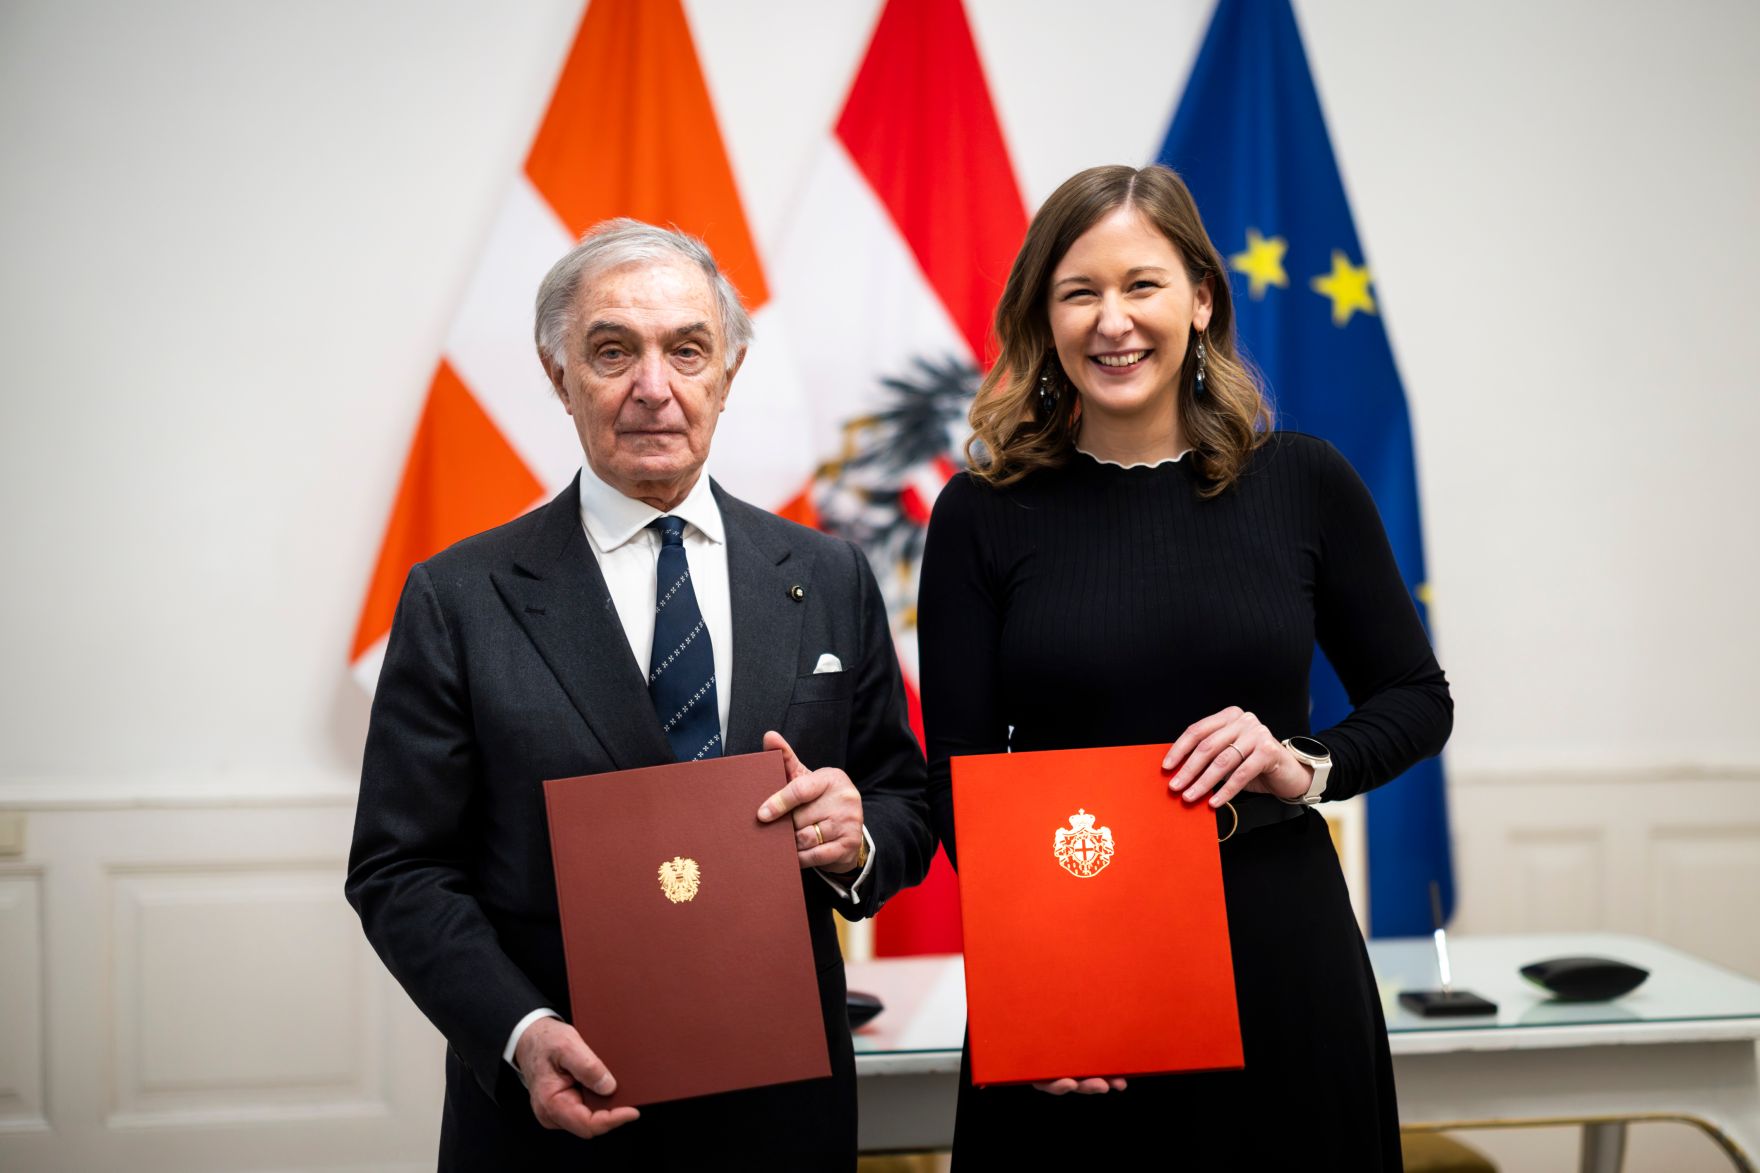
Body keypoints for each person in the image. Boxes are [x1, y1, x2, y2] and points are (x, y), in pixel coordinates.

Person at [346, 218, 934, 1171]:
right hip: (557, 1118)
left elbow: (904, 799)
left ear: (728, 373)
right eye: (613, 351)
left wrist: (856, 835)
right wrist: (522, 1031)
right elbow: (399, 868)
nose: (653, 387)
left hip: (781, 1120)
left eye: (687, 350)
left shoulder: (828, 574)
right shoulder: (458, 598)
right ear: (559, 375)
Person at [917, 164, 1452, 1169]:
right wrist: (1037, 983)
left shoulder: (1304, 481)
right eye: (1078, 292)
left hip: (1278, 955)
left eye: (1142, 285)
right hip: (1071, 956)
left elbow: (1416, 699)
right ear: (1042, 318)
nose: (1111, 321)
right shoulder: (980, 514)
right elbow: (957, 771)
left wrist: (1303, 763)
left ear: (1201, 300)